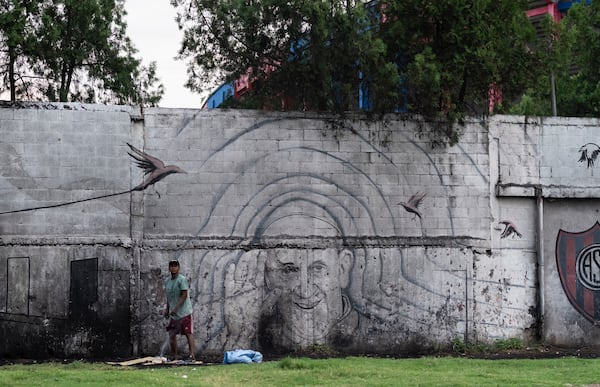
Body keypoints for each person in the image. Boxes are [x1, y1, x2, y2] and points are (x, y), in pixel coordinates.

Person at [164, 259, 195, 360]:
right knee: (172, 334)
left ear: (178, 268)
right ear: (169, 268)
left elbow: (184, 295)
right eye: (171, 266)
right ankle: (174, 356)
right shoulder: (167, 281)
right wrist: (167, 309)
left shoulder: (182, 280)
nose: (173, 268)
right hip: (174, 314)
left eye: (175, 266)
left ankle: (192, 355)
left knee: (188, 333)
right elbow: (169, 297)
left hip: (184, 312)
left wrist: (176, 308)